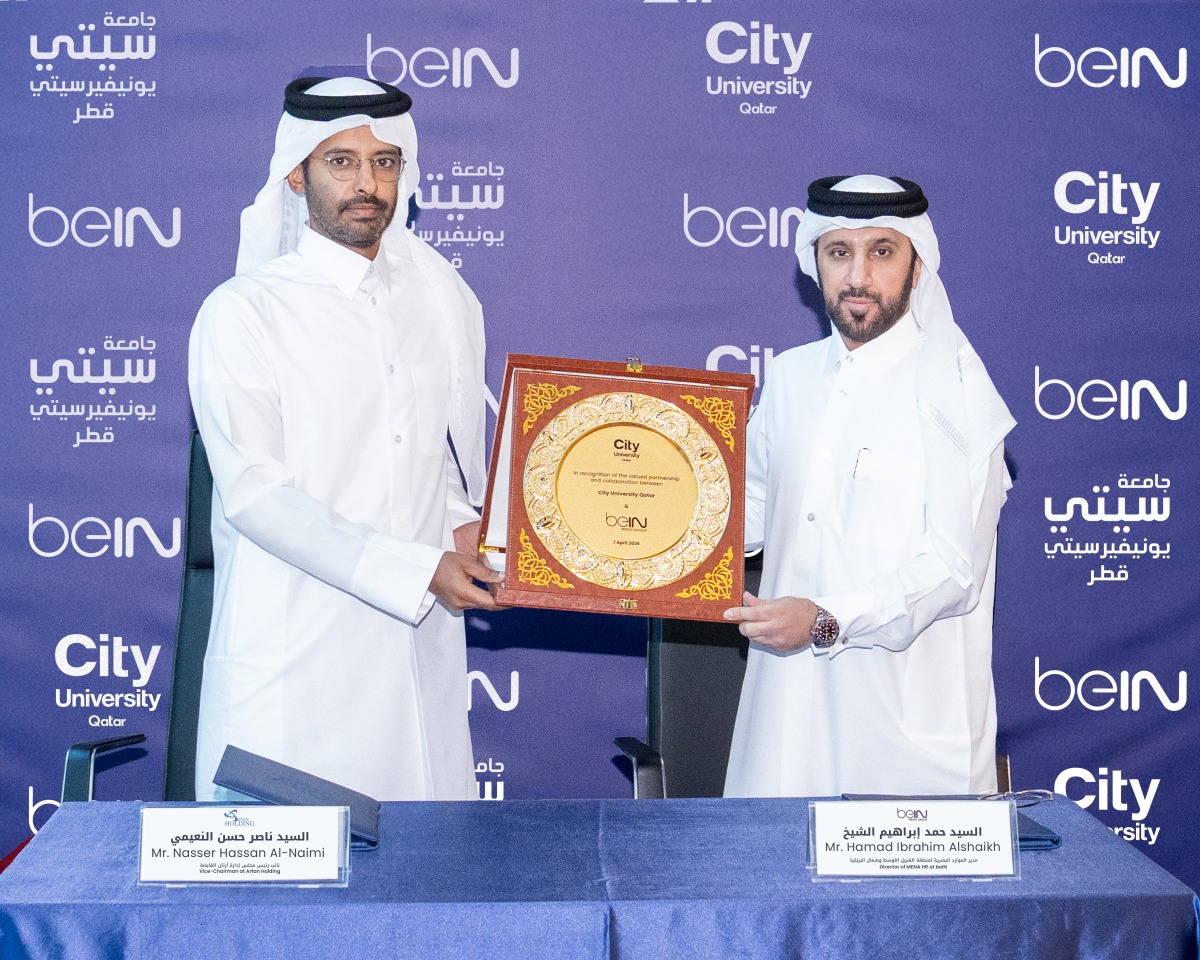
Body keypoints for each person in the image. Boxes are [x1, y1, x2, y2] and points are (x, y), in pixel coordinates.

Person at [188, 76, 500, 802]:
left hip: (415, 648)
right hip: (299, 658)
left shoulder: (435, 298)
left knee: (423, 884)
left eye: (385, 161)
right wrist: (416, 571)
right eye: (341, 161)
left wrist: (463, 527)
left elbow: (429, 456)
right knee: (287, 908)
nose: (367, 182)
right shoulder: (243, 313)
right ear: (296, 173)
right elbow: (256, 495)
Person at [723, 174, 1015, 797]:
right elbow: (734, 524)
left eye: (881, 251)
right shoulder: (792, 378)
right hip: (784, 726)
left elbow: (951, 573)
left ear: (916, 263)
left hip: (905, 749)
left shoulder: (957, 390)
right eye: (839, 253)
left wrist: (826, 620)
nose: (858, 277)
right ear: (815, 262)